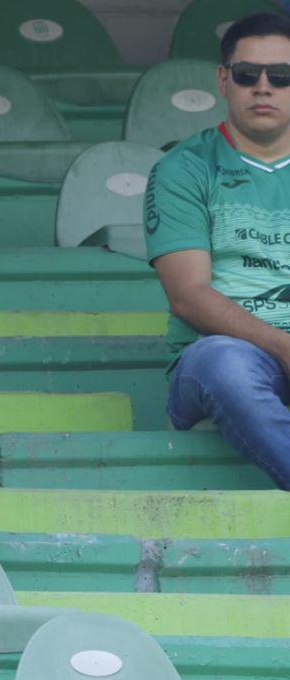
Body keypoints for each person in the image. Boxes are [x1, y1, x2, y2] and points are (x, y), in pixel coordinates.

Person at [145, 12, 290, 488]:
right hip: (225, 356)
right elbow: (187, 295)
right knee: (224, 364)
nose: (264, 87)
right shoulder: (183, 169)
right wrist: (283, 346)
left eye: (282, 76)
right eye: (249, 74)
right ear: (224, 80)